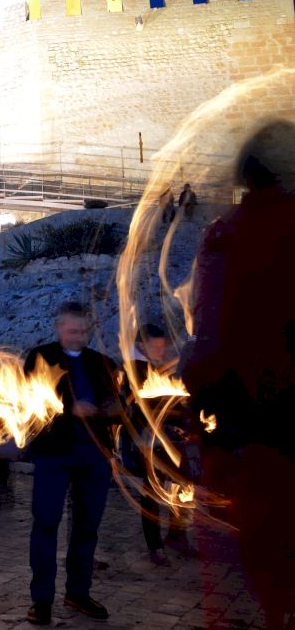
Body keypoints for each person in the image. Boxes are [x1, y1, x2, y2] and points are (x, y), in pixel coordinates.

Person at [182, 120, 295, 629]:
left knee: (257, 568)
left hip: (252, 430)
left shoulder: (226, 236)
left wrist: (201, 401)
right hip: (269, 422)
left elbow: (209, 336)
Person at [23, 301, 119, 626]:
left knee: (87, 527)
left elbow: (117, 404)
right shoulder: (40, 357)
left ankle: (78, 593)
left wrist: (106, 409)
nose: (78, 336)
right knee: (45, 524)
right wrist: (70, 409)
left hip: (94, 456)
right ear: (59, 328)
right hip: (53, 454)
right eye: (71, 330)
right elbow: (30, 400)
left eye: (83, 331)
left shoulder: (103, 363)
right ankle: (41, 600)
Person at [120, 323, 189, 567]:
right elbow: (142, 408)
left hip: (165, 438)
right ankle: (155, 546)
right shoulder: (133, 369)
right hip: (145, 441)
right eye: (155, 347)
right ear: (141, 345)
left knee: (181, 485)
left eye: (162, 346)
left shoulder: (153, 367)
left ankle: (176, 535)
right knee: (152, 492)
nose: (160, 351)